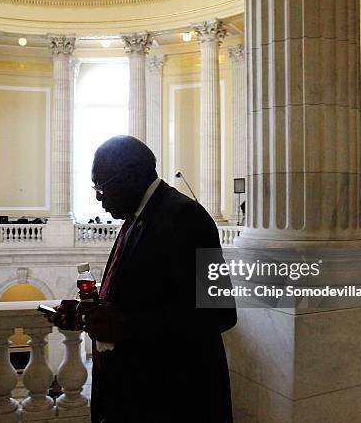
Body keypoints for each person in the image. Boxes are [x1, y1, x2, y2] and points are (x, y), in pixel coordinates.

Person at [49, 136, 237, 422]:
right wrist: (89, 312)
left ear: (132, 176)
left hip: (171, 400)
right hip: (135, 394)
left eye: (102, 186)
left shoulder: (187, 216)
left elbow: (221, 313)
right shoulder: (136, 217)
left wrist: (125, 324)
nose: (99, 198)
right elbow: (143, 295)